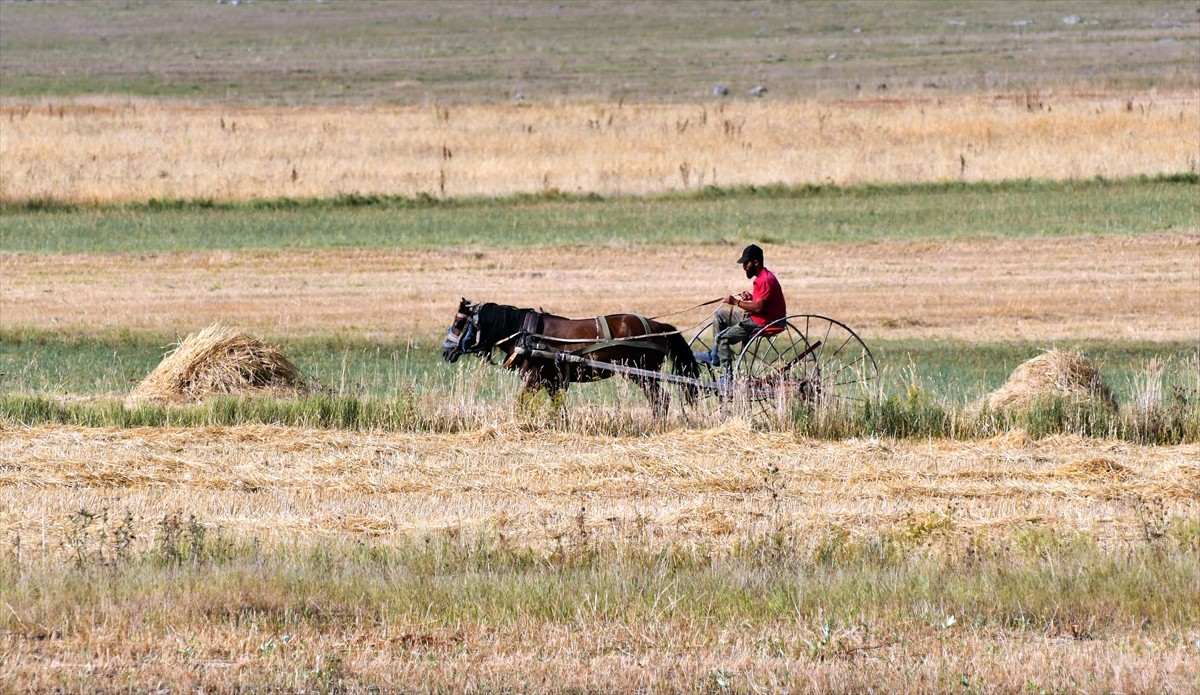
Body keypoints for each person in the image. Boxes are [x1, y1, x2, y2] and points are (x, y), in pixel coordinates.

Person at [694, 244, 787, 372]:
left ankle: (727, 375)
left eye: (746, 263)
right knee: (720, 315)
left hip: (763, 322)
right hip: (760, 316)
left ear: (756, 263)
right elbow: (763, 301)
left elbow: (759, 308)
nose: (744, 267)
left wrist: (735, 302)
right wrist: (751, 297)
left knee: (722, 338)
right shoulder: (763, 277)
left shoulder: (765, 280)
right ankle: (715, 355)